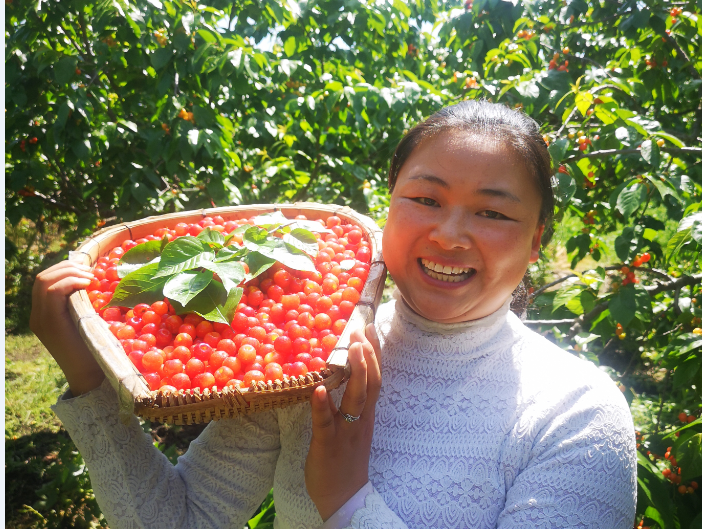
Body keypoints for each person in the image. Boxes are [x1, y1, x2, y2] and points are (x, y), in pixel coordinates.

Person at [31, 100, 637, 529]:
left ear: (535, 242)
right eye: (425, 199)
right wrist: (90, 385)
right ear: (389, 207)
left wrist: (347, 503)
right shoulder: (313, 362)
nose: (450, 235)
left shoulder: (576, 411)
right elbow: (182, 520)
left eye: (493, 213)